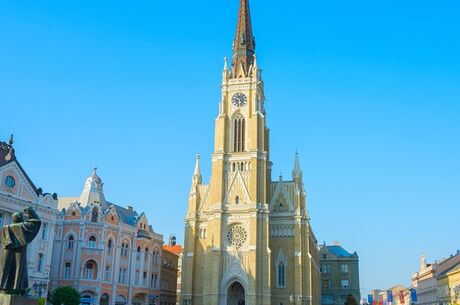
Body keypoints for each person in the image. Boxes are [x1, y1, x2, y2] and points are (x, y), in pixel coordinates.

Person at [0, 206, 41, 294]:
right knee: (20, 268)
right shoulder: (23, 226)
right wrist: (30, 211)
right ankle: (17, 287)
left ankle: (1, 286)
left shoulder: (4, 228)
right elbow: (37, 221)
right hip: (20, 250)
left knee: (4, 268)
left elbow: (2, 241)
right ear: (21, 219)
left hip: (7, 249)